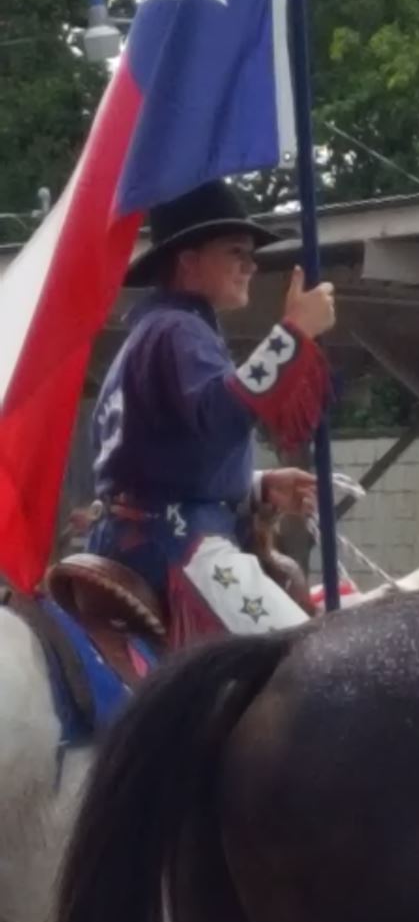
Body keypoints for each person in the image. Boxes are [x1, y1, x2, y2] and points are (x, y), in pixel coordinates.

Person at [87, 180, 335, 641]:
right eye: (236, 251)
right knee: (314, 659)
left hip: (133, 533)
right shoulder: (180, 330)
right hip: (178, 544)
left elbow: (165, 456)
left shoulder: (155, 331)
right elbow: (219, 414)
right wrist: (295, 333)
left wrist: (257, 485)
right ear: (188, 261)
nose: (250, 264)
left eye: (250, 254)